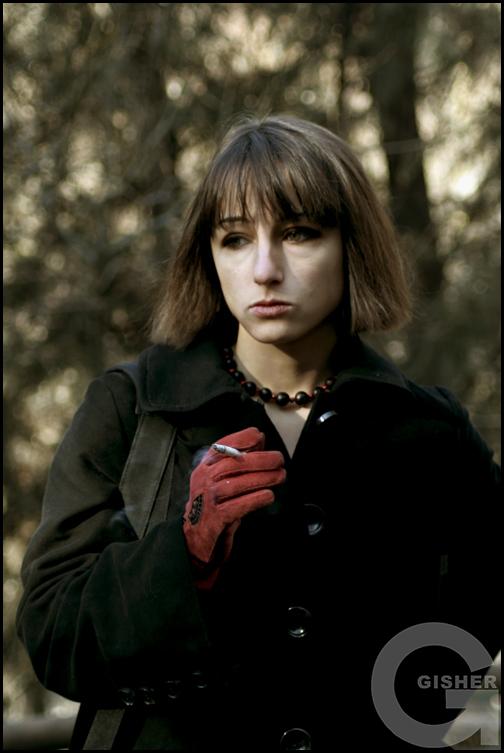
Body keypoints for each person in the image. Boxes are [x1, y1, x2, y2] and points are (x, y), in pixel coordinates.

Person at [16, 114, 500, 751]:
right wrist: (184, 557)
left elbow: (475, 625)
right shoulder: (133, 410)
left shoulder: (430, 431)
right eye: (236, 239)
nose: (265, 269)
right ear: (209, 255)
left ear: (351, 246)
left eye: (299, 233)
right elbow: (52, 634)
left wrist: (408, 716)